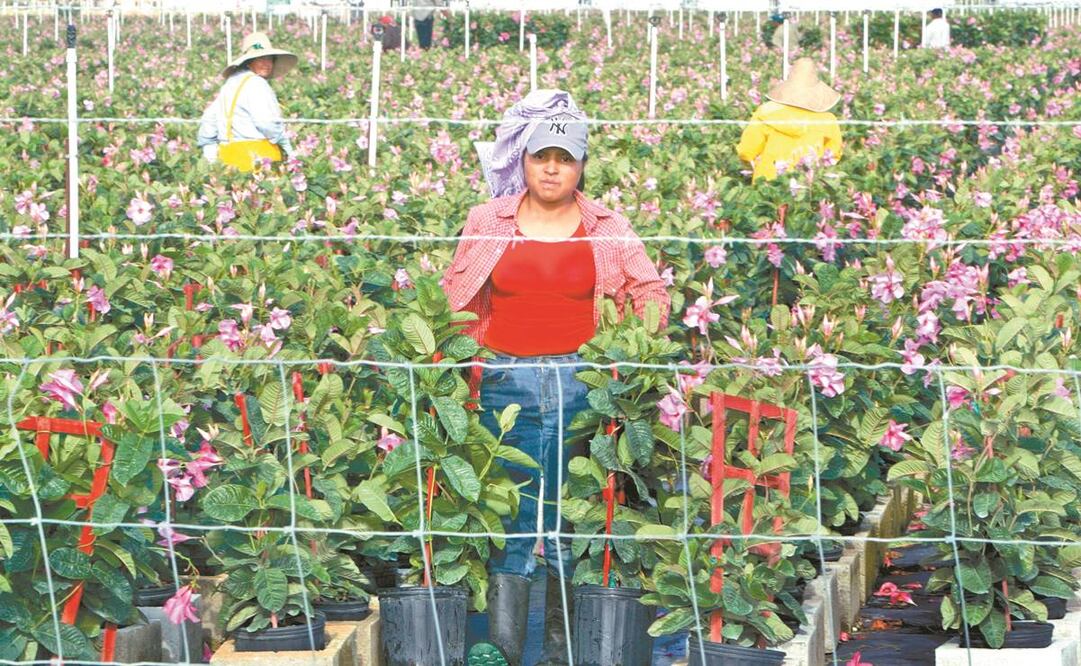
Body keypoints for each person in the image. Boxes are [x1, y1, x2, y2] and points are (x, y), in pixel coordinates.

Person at [445, 89, 670, 666]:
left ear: (581, 166)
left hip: (582, 382)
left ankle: (560, 651)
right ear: (523, 160)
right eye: (541, 156)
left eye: (564, 159)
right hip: (503, 381)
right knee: (509, 509)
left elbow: (651, 290)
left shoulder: (607, 226)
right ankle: (503, 647)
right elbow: (454, 295)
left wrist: (629, 345)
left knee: (575, 509)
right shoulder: (487, 220)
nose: (551, 168)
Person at [196, 32, 297, 172]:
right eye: (261, 59)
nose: (267, 64)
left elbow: (209, 118)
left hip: (228, 155)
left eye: (270, 59)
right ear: (249, 62)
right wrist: (284, 142)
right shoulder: (257, 83)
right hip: (258, 155)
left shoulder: (230, 83)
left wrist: (209, 149)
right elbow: (266, 123)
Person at [736, 58, 843, 181]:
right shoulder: (827, 120)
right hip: (806, 182)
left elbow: (746, 151)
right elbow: (833, 154)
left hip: (767, 181)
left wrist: (751, 166)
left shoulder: (766, 112)